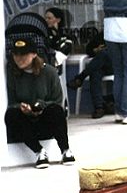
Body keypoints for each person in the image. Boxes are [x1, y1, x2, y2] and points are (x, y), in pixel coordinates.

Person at [4, 38, 76, 169]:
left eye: (23, 54)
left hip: (45, 119)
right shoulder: (12, 74)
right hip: (26, 124)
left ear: (33, 54)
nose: (19, 58)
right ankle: (39, 152)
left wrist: (40, 105)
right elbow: (10, 101)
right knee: (11, 115)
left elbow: (57, 100)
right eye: (16, 54)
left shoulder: (49, 72)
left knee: (56, 111)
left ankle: (65, 150)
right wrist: (21, 107)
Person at [67, 31, 113, 119]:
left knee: (104, 54)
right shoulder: (104, 34)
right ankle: (99, 107)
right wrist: (95, 50)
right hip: (101, 66)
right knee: (94, 72)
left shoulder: (122, 35)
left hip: (117, 66)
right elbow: (89, 48)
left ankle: (80, 78)